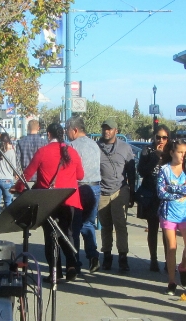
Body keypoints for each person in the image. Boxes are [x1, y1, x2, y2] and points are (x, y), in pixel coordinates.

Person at [16, 123, 84, 281]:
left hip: (49, 201)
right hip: (69, 200)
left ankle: (56, 272)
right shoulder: (72, 151)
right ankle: (72, 265)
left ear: (48, 134)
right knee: (68, 234)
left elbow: (27, 174)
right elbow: (80, 175)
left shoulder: (43, 152)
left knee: (50, 235)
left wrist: (18, 187)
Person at [97, 118, 136, 272]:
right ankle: (107, 255)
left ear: (116, 131)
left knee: (120, 225)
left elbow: (131, 172)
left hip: (120, 191)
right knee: (106, 226)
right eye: (104, 128)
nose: (106, 131)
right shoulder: (96, 147)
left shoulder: (125, 148)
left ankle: (123, 256)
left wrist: (132, 193)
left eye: (110, 129)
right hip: (102, 191)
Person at [66, 116, 101, 273]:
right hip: (95, 187)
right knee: (88, 224)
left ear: (74, 130)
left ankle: (75, 262)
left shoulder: (72, 146)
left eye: (67, 130)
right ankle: (93, 256)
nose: (67, 134)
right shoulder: (95, 144)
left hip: (79, 188)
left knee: (74, 226)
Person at [137, 126, 171, 271]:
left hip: (167, 197)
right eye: (158, 137)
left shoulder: (171, 152)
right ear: (154, 137)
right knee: (152, 228)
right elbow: (142, 171)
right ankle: (153, 260)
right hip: (151, 195)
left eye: (164, 138)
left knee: (167, 230)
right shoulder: (147, 150)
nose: (161, 140)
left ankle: (168, 260)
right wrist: (156, 157)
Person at [156, 138, 186, 295]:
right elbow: (161, 192)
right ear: (172, 152)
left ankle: (182, 266)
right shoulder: (165, 170)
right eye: (180, 152)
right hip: (168, 213)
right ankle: (172, 281)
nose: (183, 156)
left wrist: (172, 188)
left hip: (185, 213)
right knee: (172, 247)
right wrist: (180, 191)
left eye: (185, 153)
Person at [0, 132, 19, 219]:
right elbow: (14, 167)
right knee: (8, 201)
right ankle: (9, 219)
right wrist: (15, 174)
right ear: (8, 141)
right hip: (8, 180)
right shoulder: (12, 152)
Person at [16, 119, 46, 183]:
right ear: (38, 128)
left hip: (26, 176)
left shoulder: (20, 142)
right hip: (40, 176)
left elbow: (17, 160)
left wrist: (17, 173)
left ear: (28, 127)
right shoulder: (44, 143)